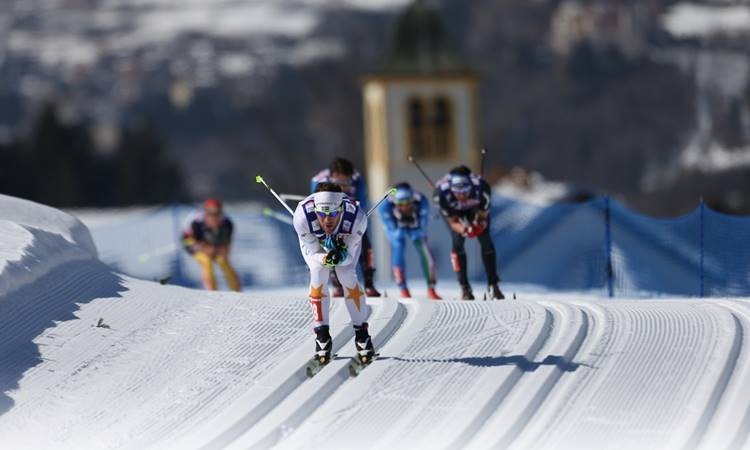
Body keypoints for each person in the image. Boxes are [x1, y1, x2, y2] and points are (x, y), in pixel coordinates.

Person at [293, 182, 376, 365]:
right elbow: (315, 254)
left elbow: (348, 259)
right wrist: (326, 258)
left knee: (346, 273)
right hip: (316, 245)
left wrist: (341, 255)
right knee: (317, 271)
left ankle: (362, 335)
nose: (327, 220)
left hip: (344, 244)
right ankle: (322, 335)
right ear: (315, 209)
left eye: (333, 214)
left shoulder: (357, 218)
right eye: (322, 214)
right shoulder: (302, 218)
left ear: (341, 208)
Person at [311, 157, 381, 297]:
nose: (342, 187)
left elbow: (360, 207)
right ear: (331, 178)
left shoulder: (358, 181)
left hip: (348, 215)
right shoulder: (318, 181)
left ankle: (369, 283)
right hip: (329, 218)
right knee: (328, 247)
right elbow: (315, 206)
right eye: (338, 183)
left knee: (364, 244)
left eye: (346, 182)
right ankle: (336, 284)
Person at [434, 165, 504, 300]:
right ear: (451, 189)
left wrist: (478, 226)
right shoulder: (441, 194)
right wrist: (464, 229)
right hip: (454, 213)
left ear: (471, 187)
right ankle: (464, 287)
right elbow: (453, 222)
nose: (462, 196)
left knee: (485, 240)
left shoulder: (482, 189)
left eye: (465, 192)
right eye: (458, 193)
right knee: (457, 242)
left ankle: (493, 284)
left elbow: (483, 217)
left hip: (475, 209)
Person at [379, 182, 441, 300]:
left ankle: (431, 288)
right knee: (399, 245)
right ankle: (403, 288)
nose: (405, 207)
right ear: (395, 202)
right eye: (400, 204)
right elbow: (391, 228)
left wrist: (418, 231)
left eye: (408, 203)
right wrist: (398, 231)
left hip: (415, 224)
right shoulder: (385, 205)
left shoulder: (421, 200)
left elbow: (423, 226)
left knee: (422, 247)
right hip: (396, 225)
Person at [181, 198, 241, 292]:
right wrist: (205, 248)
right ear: (206, 213)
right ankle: (212, 292)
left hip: (214, 245)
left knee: (223, 261)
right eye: (211, 214)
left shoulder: (227, 224)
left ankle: (237, 291)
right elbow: (190, 241)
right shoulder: (196, 222)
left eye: (217, 214)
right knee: (207, 261)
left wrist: (220, 251)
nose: (214, 217)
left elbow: (226, 246)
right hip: (193, 244)